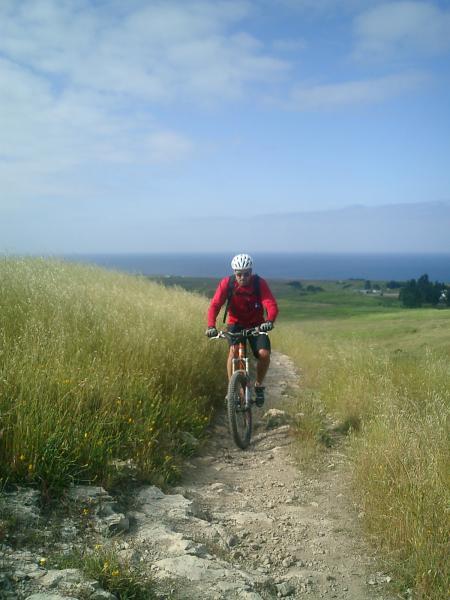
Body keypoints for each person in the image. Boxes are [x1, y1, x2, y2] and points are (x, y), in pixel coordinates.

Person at [205, 253, 278, 407]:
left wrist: (269, 321)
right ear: (234, 273)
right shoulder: (227, 283)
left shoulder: (259, 283)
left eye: (247, 274)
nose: (243, 277)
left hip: (257, 325)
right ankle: (231, 390)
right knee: (234, 352)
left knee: (264, 354)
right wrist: (211, 326)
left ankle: (258, 386)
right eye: (239, 274)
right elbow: (215, 305)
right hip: (235, 324)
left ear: (251, 272)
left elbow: (270, 303)